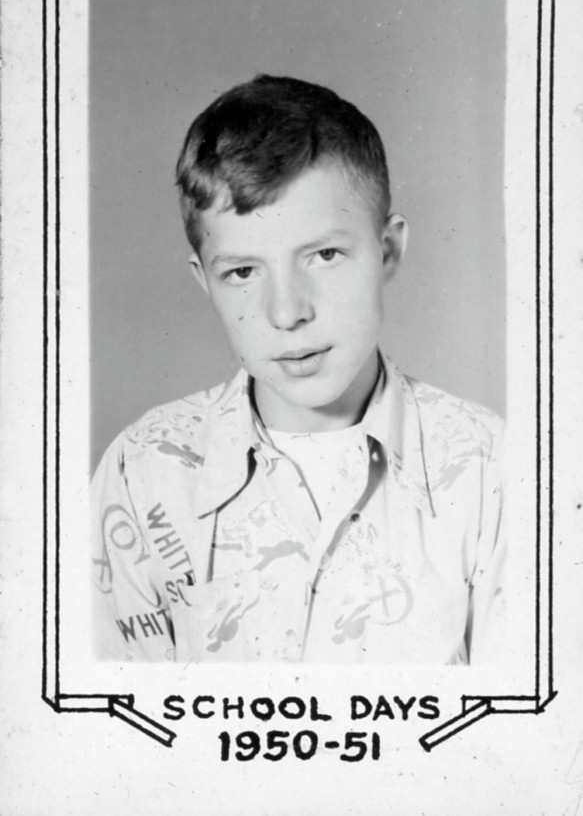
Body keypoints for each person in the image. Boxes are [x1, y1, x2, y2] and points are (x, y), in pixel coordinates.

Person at [91, 74, 506, 664]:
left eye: (325, 255)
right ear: (204, 281)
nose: (287, 313)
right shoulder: (142, 472)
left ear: (387, 251)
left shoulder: (494, 472)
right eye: (242, 272)